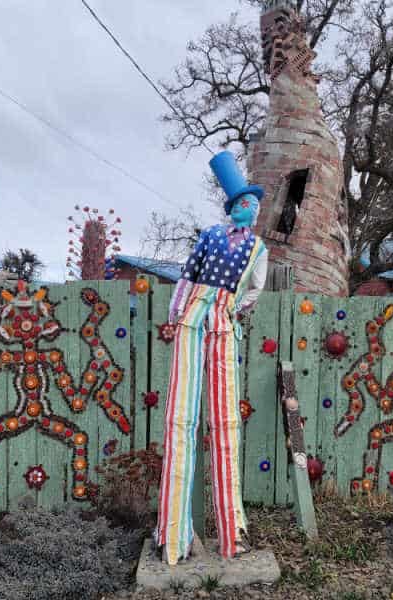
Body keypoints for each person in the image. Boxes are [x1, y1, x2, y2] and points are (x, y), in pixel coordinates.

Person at [154, 151, 268, 565]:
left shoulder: (258, 248)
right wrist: (175, 314)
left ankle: (232, 535)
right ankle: (173, 536)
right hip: (191, 320)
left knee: (225, 422)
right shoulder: (210, 236)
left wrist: (236, 308)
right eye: (241, 203)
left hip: (223, 325)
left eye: (251, 204)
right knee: (179, 419)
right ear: (232, 207)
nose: (246, 208)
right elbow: (188, 275)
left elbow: (256, 288)